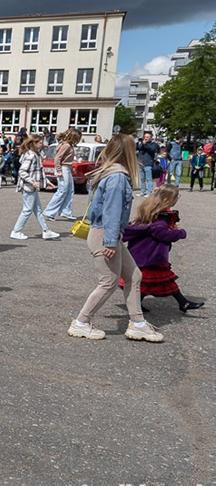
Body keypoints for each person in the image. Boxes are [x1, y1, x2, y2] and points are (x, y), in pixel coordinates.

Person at [68, 134, 163, 342]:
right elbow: (111, 211)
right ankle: (81, 322)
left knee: (134, 276)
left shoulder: (109, 173)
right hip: (105, 235)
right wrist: (110, 241)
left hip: (106, 233)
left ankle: (137, 324)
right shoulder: (117, 177)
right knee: (108, 282)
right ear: (128, 152)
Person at [122, 185, 204, 314]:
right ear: (169, 199)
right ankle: (182, 303)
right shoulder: (162, 216)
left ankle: (182, 302)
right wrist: (180, 233)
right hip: (151, 254)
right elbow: (161, 233)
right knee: (156, 280)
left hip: (144, 252)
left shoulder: (150, 209)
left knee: (152, 281)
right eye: (177, 196)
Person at [10, 135, 61, 241]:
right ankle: (16, 231)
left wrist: (46, 182)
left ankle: (46, 231)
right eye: (40, 142)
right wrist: (33, 182)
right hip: (28, 187)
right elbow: (22, 171)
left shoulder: (34, 154)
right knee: (27, 210)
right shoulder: (31, 155)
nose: (42, 144)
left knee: (37, 210)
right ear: (34, 144)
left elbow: (38, 172)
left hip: (31, 186)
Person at [43, 128, 80, 221]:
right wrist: (59, 170)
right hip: (63, 169)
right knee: (62, 190)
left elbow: (65, 159)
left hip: (66, 168)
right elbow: (58, 159)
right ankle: (49, 212)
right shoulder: (66, 145)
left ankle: (65, 212)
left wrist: (71, 169)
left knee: (69, 190)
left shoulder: (65, 144)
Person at [136, 130, 159, 197]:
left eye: (147, 137)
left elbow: (151, 150)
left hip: (148, 163)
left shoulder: (154, 144)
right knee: (142, 179)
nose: (145, 138)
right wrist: (142, 144)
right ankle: (143, 192)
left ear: (151, 138)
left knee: (149, 179)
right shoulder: (141, 143)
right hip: (141, 163)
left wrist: (145, 144)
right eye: (145, 137)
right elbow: (138, 148)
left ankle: (149, 192)